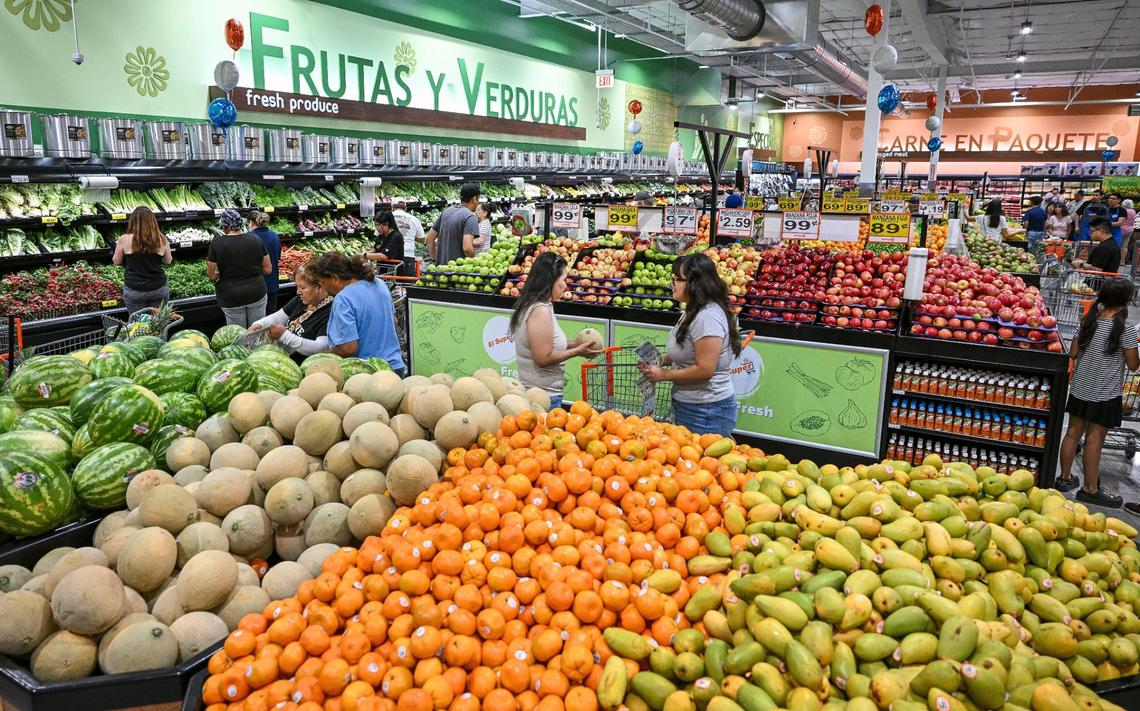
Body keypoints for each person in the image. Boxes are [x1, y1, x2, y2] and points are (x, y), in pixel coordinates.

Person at [1055, 277, 1138, 508]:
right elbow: (1133, 365)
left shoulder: (1087, 323)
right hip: (1105, 393)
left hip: (1080, 388)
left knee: (1072, 432)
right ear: (1125, 302)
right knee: (1095, 439)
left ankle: (1064, 478)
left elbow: (1072, 353)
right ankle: (1090, 489)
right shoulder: (1126, 330)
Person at [638, 253, 743, 435]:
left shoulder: (707, 317)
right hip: (692, 404)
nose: (672, 283)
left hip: (707, 410)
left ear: (696, 283)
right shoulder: (693, 310)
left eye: (677, 279)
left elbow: (705, 369)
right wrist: (661, 360)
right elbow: (689, 350)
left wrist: (664, 374)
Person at [511, 252, 602, 409]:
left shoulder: (540, 304)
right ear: (551, 280)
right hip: (542, 398)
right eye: (563, 280)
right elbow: (542, 358)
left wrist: (578, 344)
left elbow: (547, 344)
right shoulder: (540, 310)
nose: (565, 285)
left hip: (542, 394)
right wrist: (577, 352)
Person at [309, 252, 406, 375]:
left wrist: (326, 355)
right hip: (395, 367)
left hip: (369, 373)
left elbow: (348, 348)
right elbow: (393, 320)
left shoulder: (343, 299)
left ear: (334, 278)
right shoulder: (378, 283)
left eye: (323, 283)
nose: (325, 289)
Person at [247, 262, 333, 361]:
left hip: (306, 368)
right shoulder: (300, 301)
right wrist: (259, 325)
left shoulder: (330, 313)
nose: (298, 292)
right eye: (297, 287)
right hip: (283, 359)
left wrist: (284, 336)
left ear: (319, 287)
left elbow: (320, 348)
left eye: (303, 287)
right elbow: (278, 317)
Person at [207, 209, 271, 327]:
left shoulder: (216, 243)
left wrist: (223, 275)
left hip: (230, 295)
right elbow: (268, 269)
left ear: (224, 226)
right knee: (257, 330)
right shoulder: (255, 239)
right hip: (256, 292)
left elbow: (211, 275)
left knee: (237, 335)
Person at [112, 206, 172, 315]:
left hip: (134, 290)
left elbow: (116, 261)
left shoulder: (124, 239)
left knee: (137, 326)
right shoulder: (161, 238)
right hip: (158, 288)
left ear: (132, 221)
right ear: (152, 221)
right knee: (158, 325)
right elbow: (168, 261)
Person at [426, 183, 480, 265]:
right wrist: (475, 262)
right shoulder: (470, 217)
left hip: (441, 269)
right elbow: (467, 248)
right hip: (458, 272)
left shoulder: (447, 211)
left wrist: (434, 260)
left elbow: (430, 238)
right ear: (474, 199)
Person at [249, 211, 281, 314]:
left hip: (255, 284)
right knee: (271, 314)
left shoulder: (249, 237)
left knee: (257, 318)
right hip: (272, 281)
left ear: (252, 222)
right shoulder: (274, 236)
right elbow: (278, 257)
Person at [365, 210, 407, 275]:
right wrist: (364, 255)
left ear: (387, 223)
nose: (377, 228)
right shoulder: (381, 236)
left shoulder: (396, 236)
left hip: (394, 274)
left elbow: (384, 256)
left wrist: (365, 255)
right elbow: (375, 249)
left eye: (378, 225)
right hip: (383, 273)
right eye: (376, 225)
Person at [1122, 198, 1137, 265]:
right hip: (1130, 230)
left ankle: (1117, 260)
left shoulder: (1123, 210)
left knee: (1118, 245)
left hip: (1121, 229)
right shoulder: (1133, 211)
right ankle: (1122, 261)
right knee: (1125, 246)